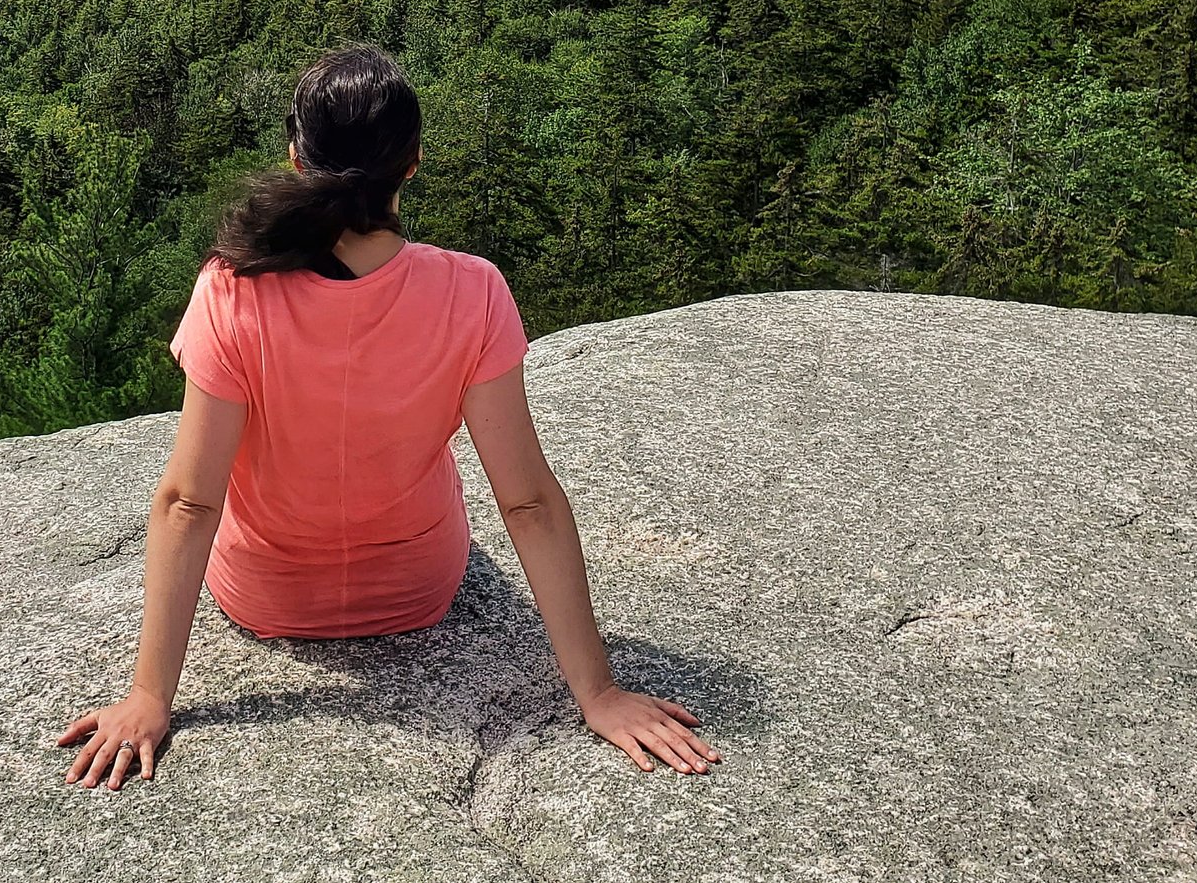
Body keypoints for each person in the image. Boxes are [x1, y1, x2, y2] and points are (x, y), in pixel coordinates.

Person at [58, 44, 721, 789]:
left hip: (263, 593)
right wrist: (598, 693)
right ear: (413, 163)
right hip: (418, 587)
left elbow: (189, 501)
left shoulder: (232, 288)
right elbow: (527, 500)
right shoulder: (473, 291)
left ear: (296, 158)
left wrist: (150, 697)